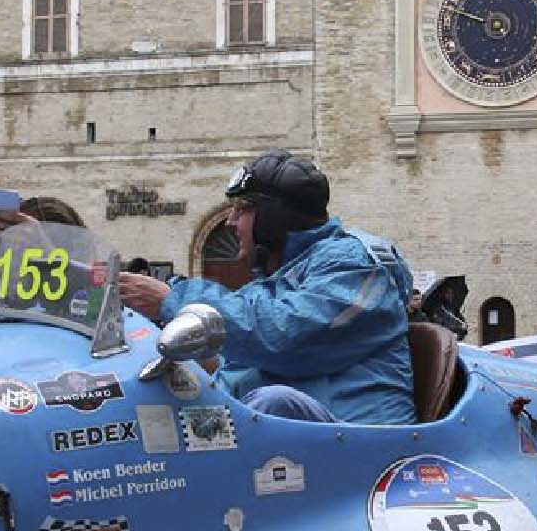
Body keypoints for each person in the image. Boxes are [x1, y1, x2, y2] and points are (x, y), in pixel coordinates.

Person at [114, 150, 415, 425]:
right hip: (296, 447)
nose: (231, 221)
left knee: (274, 401)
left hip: (362, 451)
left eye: (242, 209)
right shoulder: (280, 278)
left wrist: (174, 300)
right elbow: (235, 361)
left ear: (274, 217)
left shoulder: (354, 266)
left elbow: (283, 336)